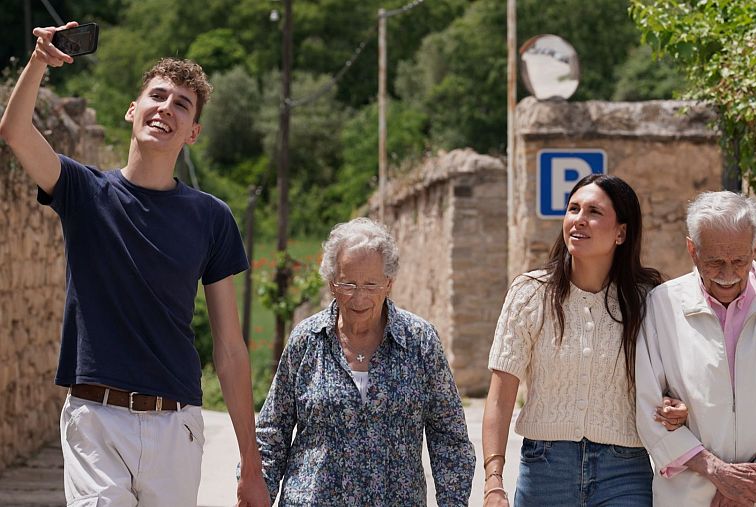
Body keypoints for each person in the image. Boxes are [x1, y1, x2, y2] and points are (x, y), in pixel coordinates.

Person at [0, 22, 270, 506]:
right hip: (96, 420)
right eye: (157, 96)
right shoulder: (83, 192)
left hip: (176, 426)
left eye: (181, 105)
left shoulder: (212, 218)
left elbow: (229, 348)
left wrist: (250, 465)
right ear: (133, 109)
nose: (166, 107)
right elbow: (15, 132)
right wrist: (40, 60)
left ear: (193, 133)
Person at [482, 174, 686, 506]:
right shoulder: (530, 293)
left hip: (625, 471)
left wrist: (676, 406)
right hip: (545, 469)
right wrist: (494, 481)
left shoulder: (648, 299)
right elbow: (500, 397)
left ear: (621, 232)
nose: (579, 219)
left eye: (594, 212)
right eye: (573, 208)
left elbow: (672, 383)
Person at [252, 217, 475, 505]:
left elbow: (449, 436)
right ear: (332, 284)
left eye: (371, 285)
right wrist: (258, 491)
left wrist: (453, 501)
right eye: (348, 284)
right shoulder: (306, 340)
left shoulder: (420, 341)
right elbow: (272, 431)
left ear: (389, 284)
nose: (359, 298)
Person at [635, 191, 756, 507]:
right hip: (692, 494)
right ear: (692, 250)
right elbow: (647, 403)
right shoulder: (661, 306)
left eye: (739, 260)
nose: (728, 274)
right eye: (714, 262)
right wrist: (717, 472)